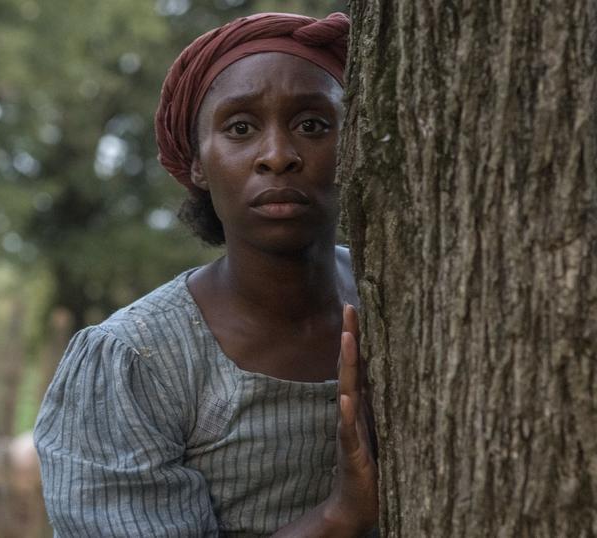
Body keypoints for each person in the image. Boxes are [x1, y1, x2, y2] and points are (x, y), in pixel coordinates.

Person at [34, 12, 379, 537]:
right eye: (240, 128)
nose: (278, 156)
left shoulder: (394, 299)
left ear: (351, 145)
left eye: (312, 125)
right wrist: (341, 515)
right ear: (197, 161)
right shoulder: (136, 361)